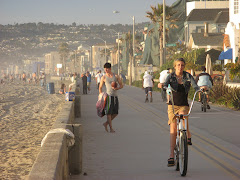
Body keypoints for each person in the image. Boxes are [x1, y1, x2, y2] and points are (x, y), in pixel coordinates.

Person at [164, 58, 199, 167]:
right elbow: (165, 84)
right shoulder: (170, 77)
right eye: (178, 65)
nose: (180, 67)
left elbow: (194, 85)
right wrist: (163, 86)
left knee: (184, 115)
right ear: (175, 66)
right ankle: (171, 155)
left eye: (182, 65)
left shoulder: (187, 76)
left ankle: (187, 133)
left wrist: (199, 88)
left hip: (183, 104)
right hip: (172, 105)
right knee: (173, 129)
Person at [99, 63, 123, 133]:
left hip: (115, 96)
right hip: (108, 96)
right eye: (105, 69)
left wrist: (117, 88)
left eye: (107, 69)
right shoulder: (103, 77)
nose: (106, 70)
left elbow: (121, 85)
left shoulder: (116, 76)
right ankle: (111, 128)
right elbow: (100, 87)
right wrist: (100, 95)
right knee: (109, 113)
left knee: (115, 113)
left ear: (110, 69)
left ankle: (106, 123)